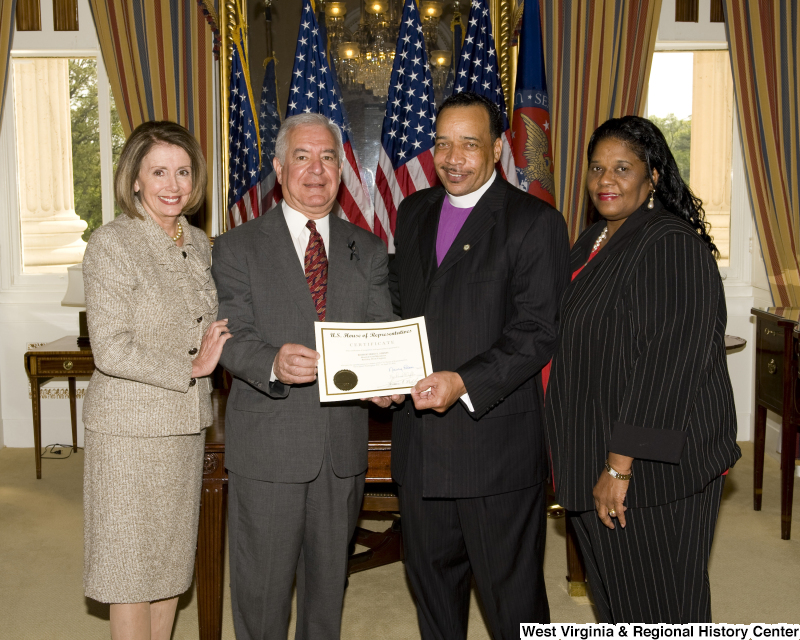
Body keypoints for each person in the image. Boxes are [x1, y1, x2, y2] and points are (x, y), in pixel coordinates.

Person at [544, 115, 742, 623]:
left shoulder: (670, 244)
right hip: (594, 459)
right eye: (596, 168)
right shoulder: (593, 239)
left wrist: (618, 467)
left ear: (653, 176)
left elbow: (670, 365)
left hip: (648, 476)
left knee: (661, 611)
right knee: (617, 608)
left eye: (622, 168)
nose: (605, 180)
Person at [388, 91, 570, 639]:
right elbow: (401, 309)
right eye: (443, 143)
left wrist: (464, 381)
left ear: (497, 148)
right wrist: (384, 374)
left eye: (469, 143)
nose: (453, 157)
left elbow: (538, 332)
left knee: (511, 605)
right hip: (419, 449)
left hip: (494, 452)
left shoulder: (535, 222)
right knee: (434, 598)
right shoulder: (412, 211)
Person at [211, 112, 393, 640]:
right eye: (302, 156)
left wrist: (386, 381)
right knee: (261, 594)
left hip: (341, 452)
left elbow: (381, 333)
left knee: (327, 592)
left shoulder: (370, 249)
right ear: (278, 167)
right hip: (269, 448)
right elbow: (230, 336)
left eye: (329, 157)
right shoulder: (236, 247)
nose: (316, 170)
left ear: (342, 168)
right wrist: (271, 361)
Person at [82, 121, 230, 640]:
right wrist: (188, 368)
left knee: (170, 566)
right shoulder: (112, 244)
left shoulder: (197, 242)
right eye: (159, 171)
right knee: (129, 572)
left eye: (184, 171)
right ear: (135, 180)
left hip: (185, 429)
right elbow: (111, 346)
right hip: (128, 433)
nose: (174, 184)